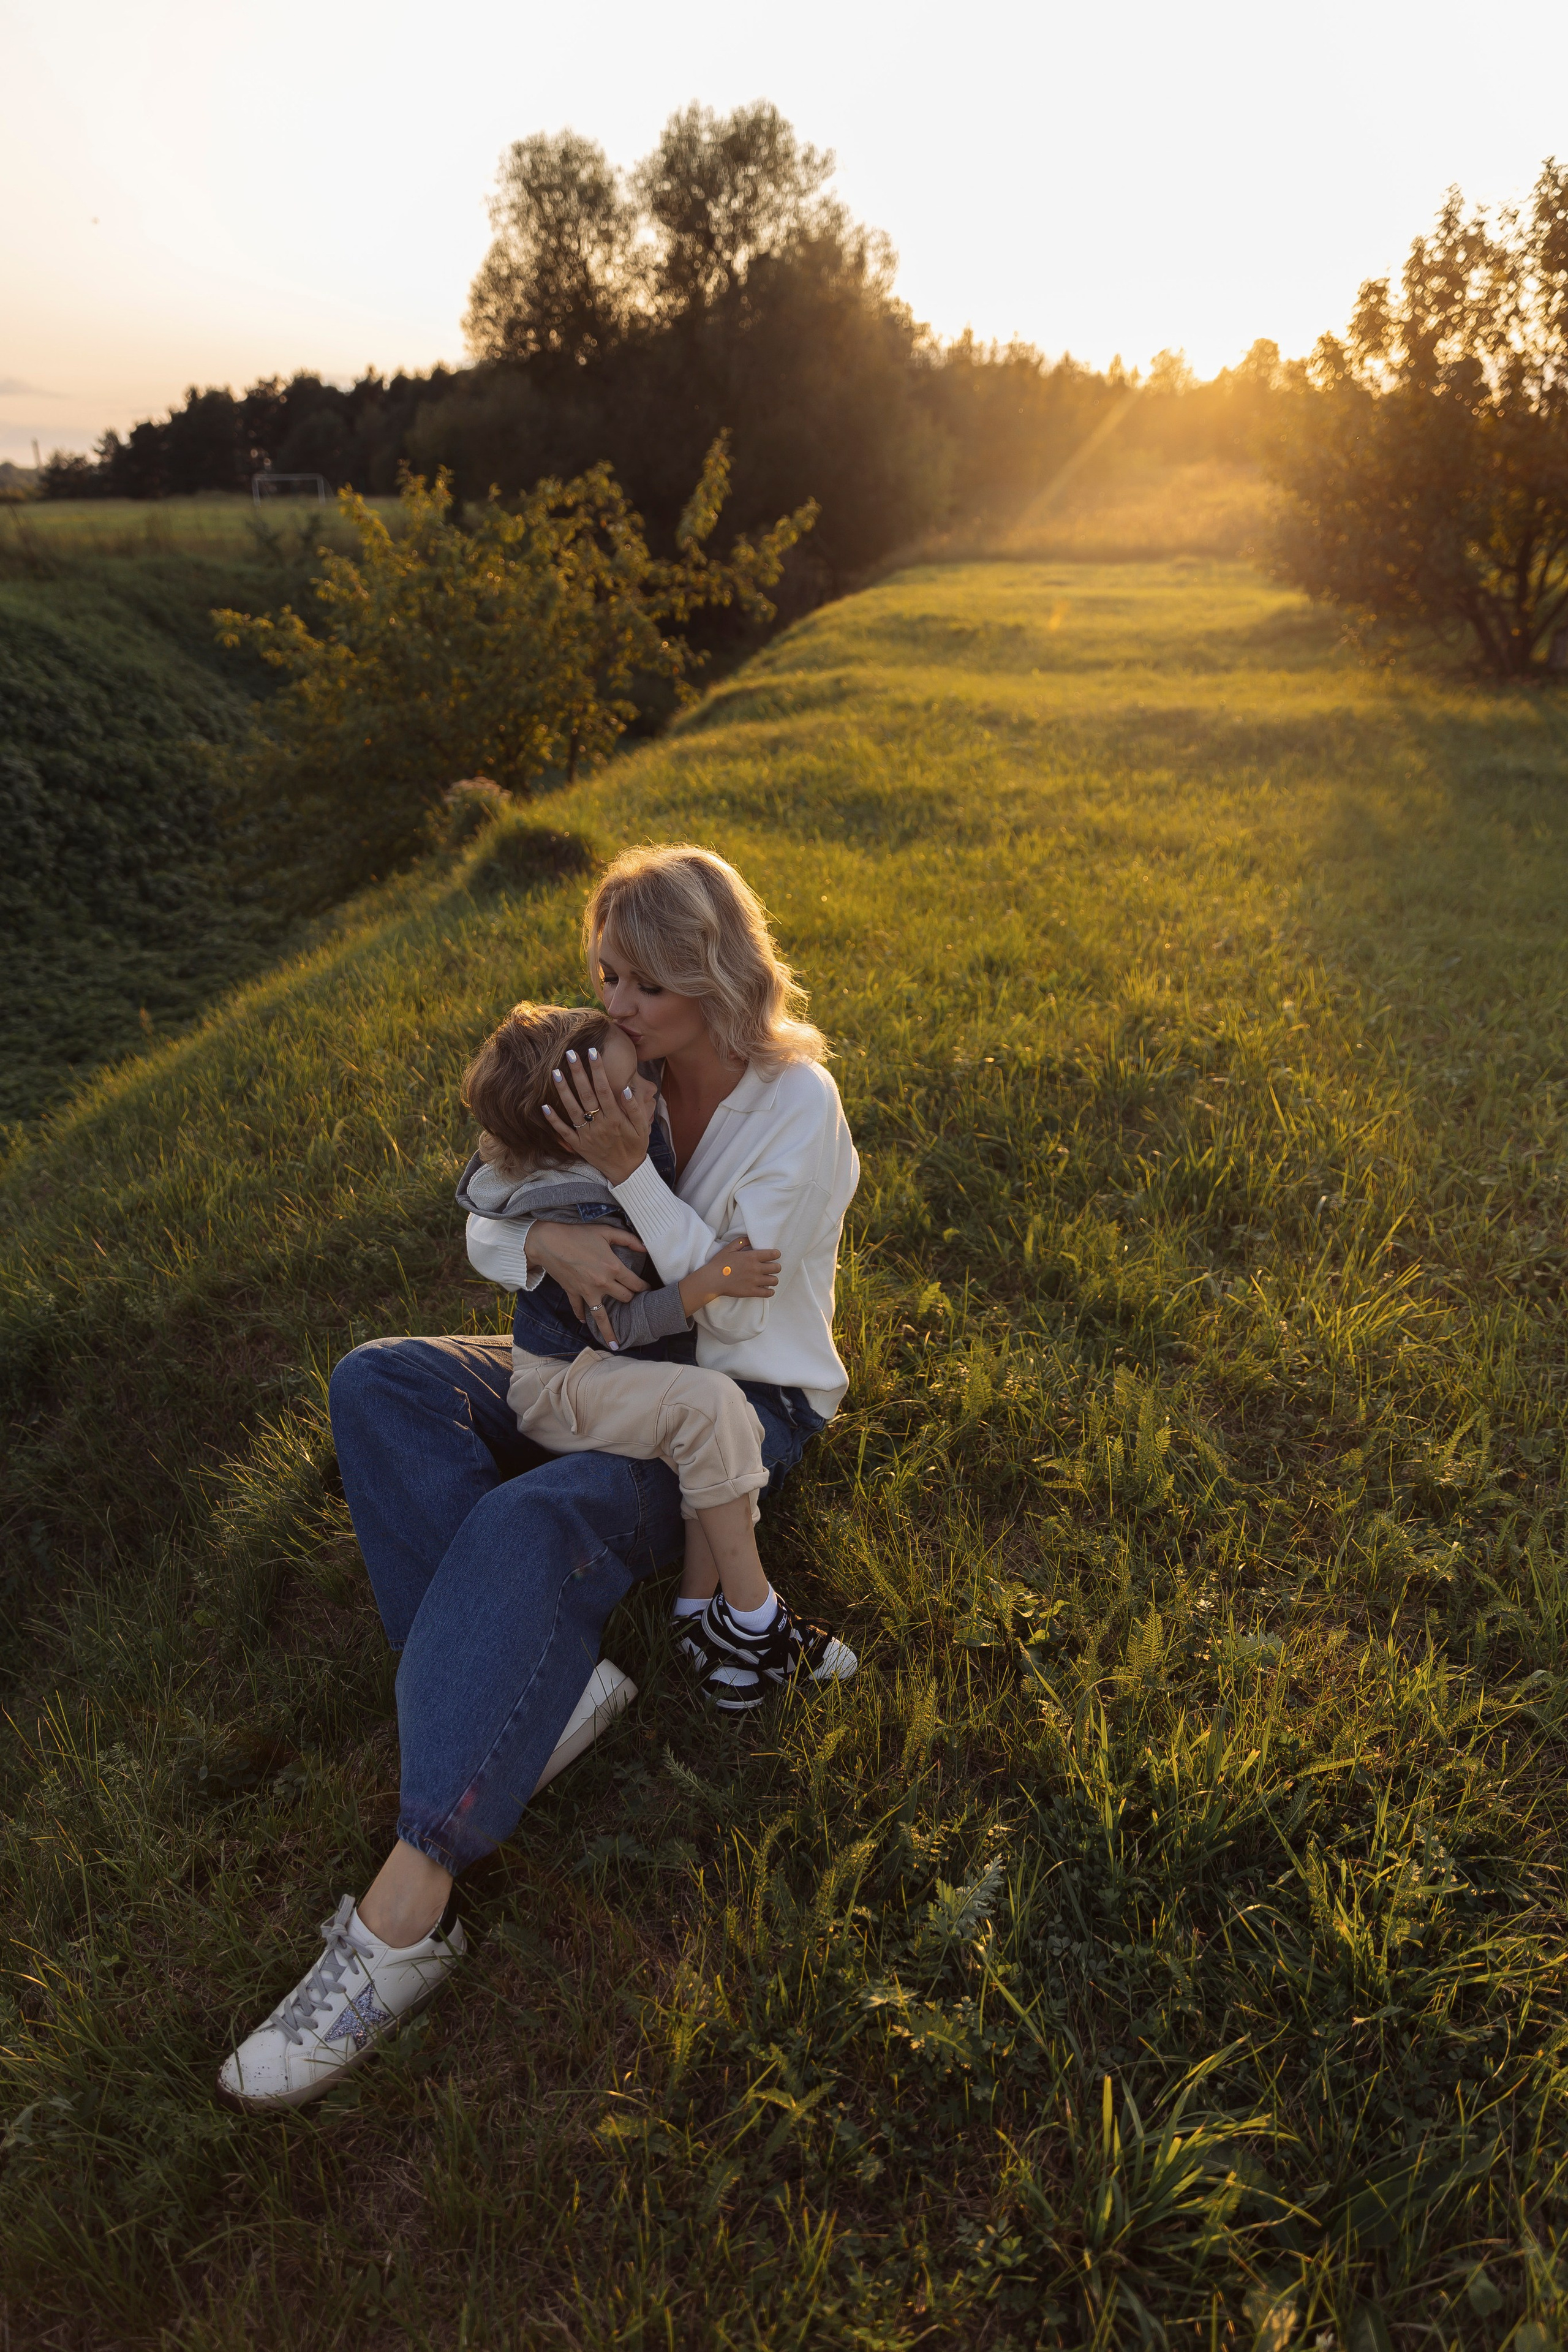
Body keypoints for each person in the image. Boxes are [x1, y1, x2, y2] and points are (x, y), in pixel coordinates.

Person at [217, 844, 861, 2112]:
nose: (610, 1005)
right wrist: (541, 1237)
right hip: (585, 1360)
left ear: (713, 971)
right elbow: (492, 1190)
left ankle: (405, 1915)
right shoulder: (612, 1067)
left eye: (639, 981)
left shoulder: (796, 1108)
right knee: (380, 1381)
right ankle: (536, 1690)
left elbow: (732, 1303)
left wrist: (620, 1179)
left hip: (733, 1397)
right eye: (603, 975)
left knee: (530, 1515)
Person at [455, 997, 858, 1709]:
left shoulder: (641, 1113)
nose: (648, 1090)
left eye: (641, 1075)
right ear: (566, 1130)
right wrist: (704, 1282)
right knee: (707, 1408)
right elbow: (616, 1326)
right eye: (627, 1090)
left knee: (712, 1413)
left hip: (645, 1373)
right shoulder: (578, 1197)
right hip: (574, 1380)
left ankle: (700, 1621)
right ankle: (756, 1616)